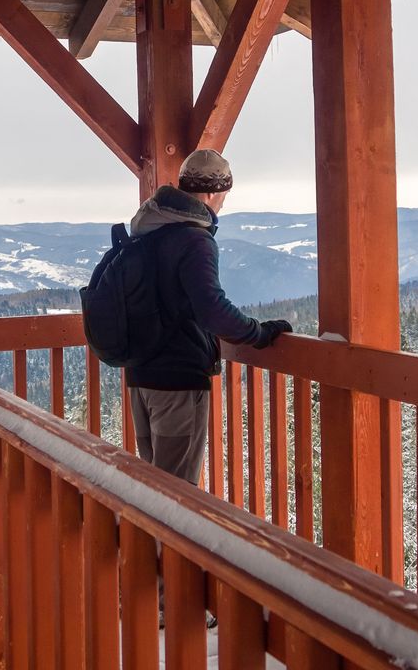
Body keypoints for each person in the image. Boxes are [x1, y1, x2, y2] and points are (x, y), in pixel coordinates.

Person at [125, 148, 293, 487]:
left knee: (154, 488)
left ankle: (146, 542)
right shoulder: (194, 240)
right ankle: (164, 544)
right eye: (224, 195)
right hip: (178, 380)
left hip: (141, 375)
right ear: (214, 193)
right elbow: (213, 310)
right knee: (176, 497)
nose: (222, 203)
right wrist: (259, 333)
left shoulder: (149, 231)